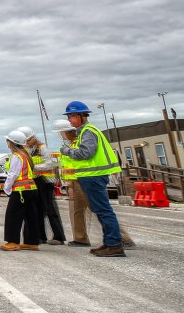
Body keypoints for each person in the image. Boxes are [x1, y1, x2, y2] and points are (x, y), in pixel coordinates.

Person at [58, 100, 126, 257]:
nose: (69, 120)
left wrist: (67, 151)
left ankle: (115, 244)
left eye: (71, 116)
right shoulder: (85, 131)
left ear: (81, 116)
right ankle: (109, 242)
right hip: (90, 176)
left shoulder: (88, 131)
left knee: (103, 210)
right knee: (100, 210)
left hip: (93, 176)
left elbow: (85, 153)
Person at [22, 127, 66, 245]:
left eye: (28, 140)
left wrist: (34, 168)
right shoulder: (27, 149)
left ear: (33, 138)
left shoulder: (42, 148)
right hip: (34, 181)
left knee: (50, 209)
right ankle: (41, 236)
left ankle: (58, 236)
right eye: (25, 141)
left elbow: (49, 164)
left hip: (46, 181)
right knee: (37, 210)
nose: (27, 143)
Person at [0, 130, 43, 250]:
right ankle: (32, 242)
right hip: (31, 189)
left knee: (13, 216)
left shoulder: (17, 156)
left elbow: (13, 174)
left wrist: (6, 188)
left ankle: (12, 242)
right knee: (31, 216)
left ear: (11, 143)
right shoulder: (26, 155)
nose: (7, 143)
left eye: (8, 141)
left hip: (20, 191)